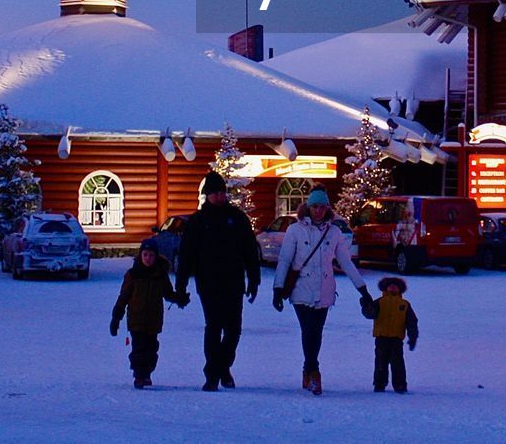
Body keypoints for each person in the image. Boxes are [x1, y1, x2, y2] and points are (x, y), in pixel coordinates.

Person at [272, 187, 372, 396]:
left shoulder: (334, 232)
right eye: (314, 206)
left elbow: (345, 262)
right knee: (308, 330)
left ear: (327, 208)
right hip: (300, 289)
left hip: (324, 290)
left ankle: (309, 371)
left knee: (315, 332)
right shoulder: (295, 230)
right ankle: (313, 371)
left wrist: (362, 289)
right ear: (308, 207)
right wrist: (278, 288)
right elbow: (285, 260)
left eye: (322, 206)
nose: (318, 210)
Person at [174, 170, 261, 392]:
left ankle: (222, 366)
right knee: (214, 326)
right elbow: (187, 255)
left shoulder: (237, 218)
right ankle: (213, 374)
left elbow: (250, 250)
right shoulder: (197, 221)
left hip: (234, 282)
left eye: (222, 192)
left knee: (234, 329)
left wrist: (254, 279)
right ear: (207, 195)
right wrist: (181, 284)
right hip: (208, 283)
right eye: (215, 193)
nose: (220, 197)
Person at [109, 238, 179, 389]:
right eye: (145, 255)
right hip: (136, 319)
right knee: (139, 348)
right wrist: (116, 317)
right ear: (141, 255)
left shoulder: (160, 275)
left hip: (154, 320)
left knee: (152, 348)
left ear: (156, 257)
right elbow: (123, 297)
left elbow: (167, 293)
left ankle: (147, 373)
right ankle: (139, 375)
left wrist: (179, 299)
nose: (148, 258)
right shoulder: (133, 274)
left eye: (151, 255)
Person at [361, 276, 419, 393]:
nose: (392, 287)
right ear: (385, 288)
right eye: (390, 285)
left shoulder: (404, 304)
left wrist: (412, 336)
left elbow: (411, 322)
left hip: (396, 339)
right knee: (380, 363)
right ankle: (379, 384)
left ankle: (400, 385)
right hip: (381, 338)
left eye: (395, 285)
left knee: (397, 363)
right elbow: (370, 314)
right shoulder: (379, 302)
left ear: (400, 289)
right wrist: (366, 306)